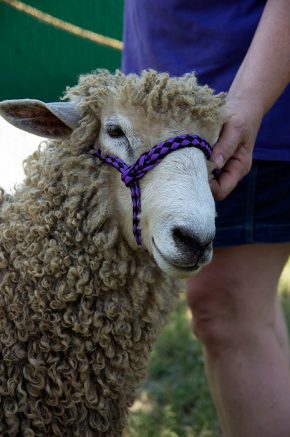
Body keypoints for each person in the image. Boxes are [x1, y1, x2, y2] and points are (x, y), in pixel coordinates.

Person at [122, 1, 290, 436]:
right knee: (247, 309)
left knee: (225, 306)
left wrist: (249, 105)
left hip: (242, 111)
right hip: (164, 104)